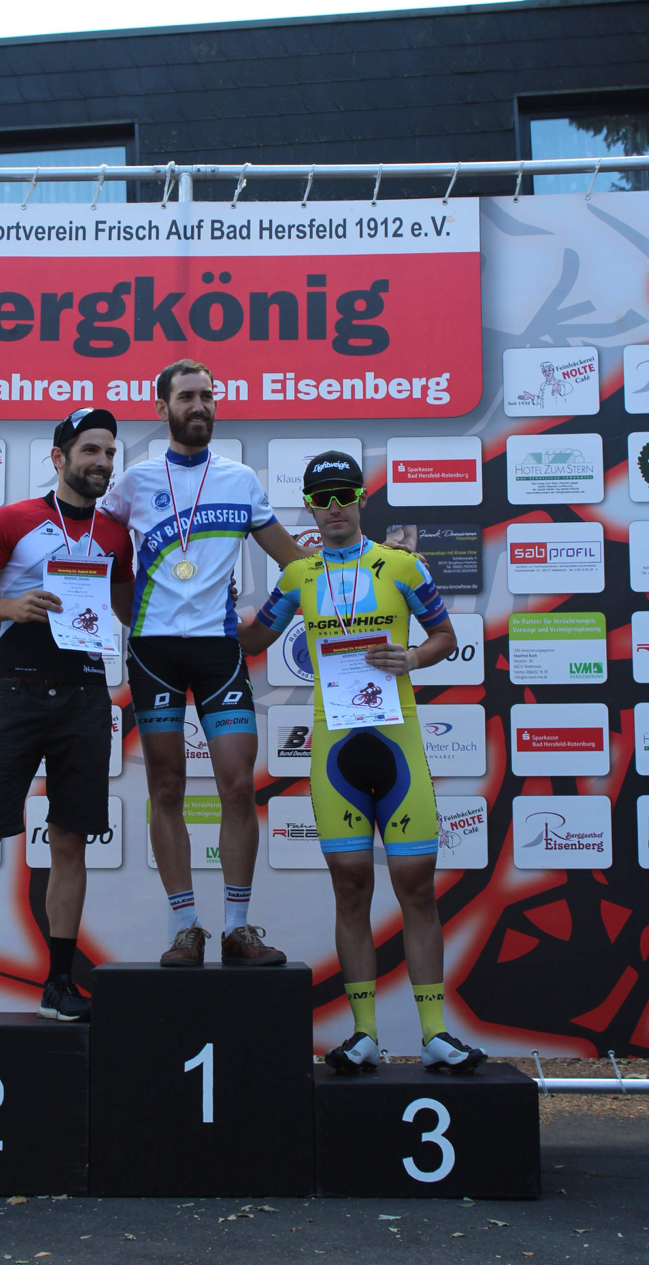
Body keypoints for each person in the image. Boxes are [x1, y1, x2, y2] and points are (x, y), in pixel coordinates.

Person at [238, 450, 487, 1073]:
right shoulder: (298, 575)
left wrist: (415, 658)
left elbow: (445, 636)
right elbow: (254, 640)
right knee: (350, 889)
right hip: (336, 750)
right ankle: (365, 1033)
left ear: (362, 498)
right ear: (309, 507)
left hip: (397, 742)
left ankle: (435, 1033)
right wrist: (203, 608)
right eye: (321, 499)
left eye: (343, 495)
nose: (334, 508)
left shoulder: (401, 564)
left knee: (417, 888)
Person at [0, 407, 134, 1025]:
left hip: (85, 696)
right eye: (90, 450)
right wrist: (12, 607)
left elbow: (130, 610)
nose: (102, 462)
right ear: (59, 457)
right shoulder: (14, 519)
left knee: (70, 842)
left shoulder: (116, 533)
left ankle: (59, 983)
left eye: (109, 453)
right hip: (16, 692)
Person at [102, 359, 309, 968]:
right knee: (166, 787)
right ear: (162, 407)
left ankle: (238, 929)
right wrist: (123, 612)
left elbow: (297, 565)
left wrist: (264, 628)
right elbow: (97, 553)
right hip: (154, 652)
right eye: (187, 396)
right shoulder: (134, 482)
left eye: (207, 396)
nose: (199, 405)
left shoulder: (240, 479)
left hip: (219, 651)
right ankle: (184, 928)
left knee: (238, 786)